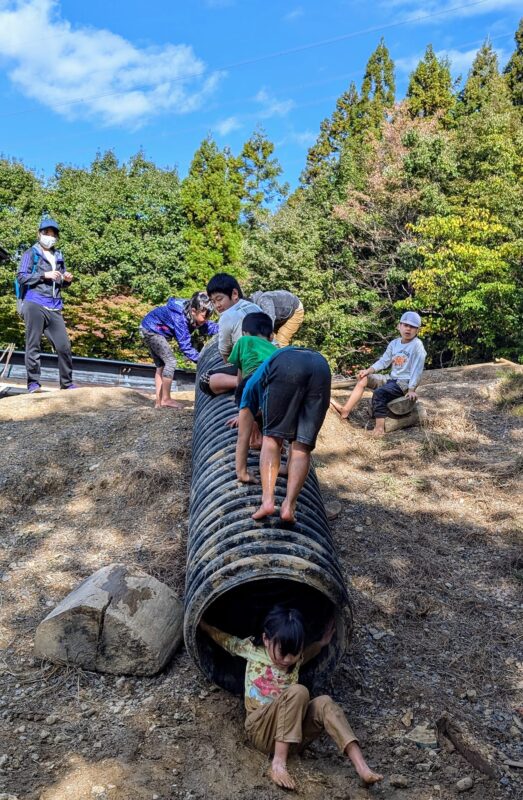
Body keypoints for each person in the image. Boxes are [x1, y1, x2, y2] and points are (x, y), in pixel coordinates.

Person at [199, 606, 383, 791]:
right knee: (299, 691)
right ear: (266, 639)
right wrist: (203, 624)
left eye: (293, 653)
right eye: (283, 652)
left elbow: (309, 653)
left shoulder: (297, 659)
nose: (287, 659)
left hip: (293, 738)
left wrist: (322, 642)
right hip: (260, 729)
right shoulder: (251, 651)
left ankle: (362, 767)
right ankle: (278, 765)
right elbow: (225, 640)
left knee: (325, 703)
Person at [236, 346, 331, 522]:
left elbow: (243, 436)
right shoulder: (264, 371)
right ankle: (289, 506)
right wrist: (285, 467)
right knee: (302, 445)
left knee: (272, 438)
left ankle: (267, 501)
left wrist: (242, 472)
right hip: (321, 366)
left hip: (287, 364)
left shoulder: (248, 389)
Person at [331, 311, 426, 436]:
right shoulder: (394, 343)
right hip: (391, 378)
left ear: (417, 330)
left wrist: (412, 388)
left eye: (412, 326)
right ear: (399, 326)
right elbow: (383, 362)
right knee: (364, 378)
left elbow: (417, 369)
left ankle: (379, 429)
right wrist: (368, 370)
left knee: (379, 394)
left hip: (404, 382)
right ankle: (346, 410)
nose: (408, 329)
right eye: (405, 325)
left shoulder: (417, 345)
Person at [17, 216, 76, 392]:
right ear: (39, 233)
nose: (50, 236)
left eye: (53, 234)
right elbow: (21, 277)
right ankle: (33, 383)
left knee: (63, 346)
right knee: (33, 344)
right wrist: (44, 275)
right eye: (46, 233)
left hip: (55, 305)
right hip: (34, 301)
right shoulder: (31, 253)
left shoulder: (58, 255)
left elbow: (60, 283)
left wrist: (67, 279)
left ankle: (66, 383)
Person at [140, 292, 218, 409]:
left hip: (148, 328)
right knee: (170, 361)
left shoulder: (193, 313)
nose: (205, 320)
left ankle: (159, 402)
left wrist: (225, 329)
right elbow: (185, 346)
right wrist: (202, 360)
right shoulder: (180, 318)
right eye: (204, 317)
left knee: (161, 366)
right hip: (152, 330)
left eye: (208, 317)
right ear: (193, 311)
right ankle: (166, 399)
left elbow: (208, 327)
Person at [201, 273, 261, 397]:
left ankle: (242, 382)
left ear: (234, 294)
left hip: (249, 365)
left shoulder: (227, 316)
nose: (217, 305)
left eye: (219, 299)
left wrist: (230, 368)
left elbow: (225, 354)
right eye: (213, 302)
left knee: (205, 380)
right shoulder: (255, 307)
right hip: (270, 359)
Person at [228, 312, 278, 407]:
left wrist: (238, 400)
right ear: (271, 336)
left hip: (252, 380)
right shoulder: (276, 350)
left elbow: (240, 375)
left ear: (243, 333)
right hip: (273, 383)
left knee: (246, 408)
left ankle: (246, 418)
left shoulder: (243, 341)